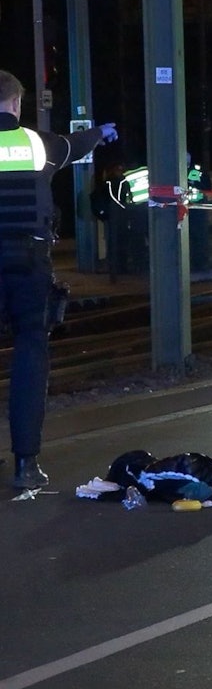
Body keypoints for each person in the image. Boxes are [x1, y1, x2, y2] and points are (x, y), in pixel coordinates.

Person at [0, 69, 118, 488]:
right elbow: (76, 144)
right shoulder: (39, 145)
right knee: (30, 352)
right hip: (29, 264)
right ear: (17, 103)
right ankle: (26, 465)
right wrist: (101, 132)